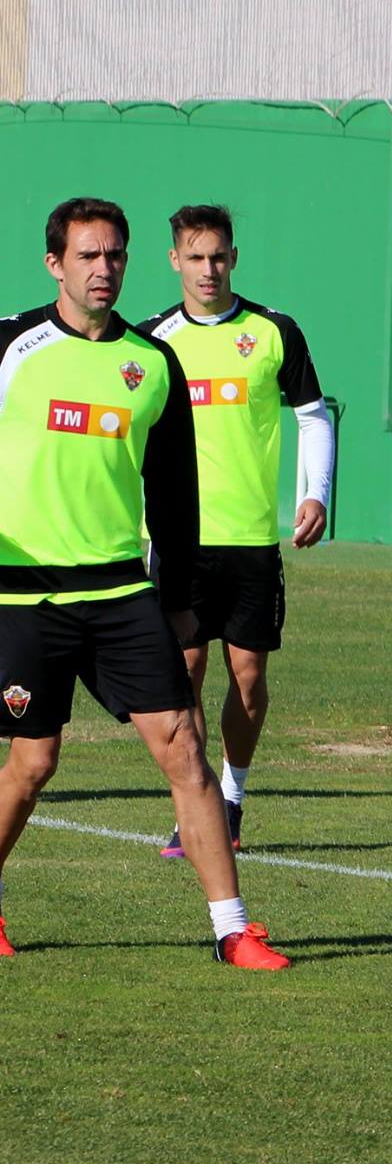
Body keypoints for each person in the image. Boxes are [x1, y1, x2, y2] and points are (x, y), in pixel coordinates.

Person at [0, 196, 289, 969]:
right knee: (33, 764)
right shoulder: (10, 348)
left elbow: (175, 499)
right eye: (89, 256)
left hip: (121, 590)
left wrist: (181, 604)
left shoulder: (152, 363)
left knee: (185, 749)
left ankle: (232, 929)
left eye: (115, 255)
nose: (104, 269)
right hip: (25, 594)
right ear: (54, 263)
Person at [140, 204, 335, 858]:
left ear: (234, 257)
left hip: (253, 540)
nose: (208, 269)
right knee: (185, 673)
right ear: (174, 261)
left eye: (218, 256)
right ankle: (194, 810)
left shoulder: (273, 331)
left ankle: (231, 795)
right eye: (195, 258)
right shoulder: (150, 343)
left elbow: (313, 414)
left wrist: (316, 492)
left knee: (248, 679)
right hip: (181, 541)